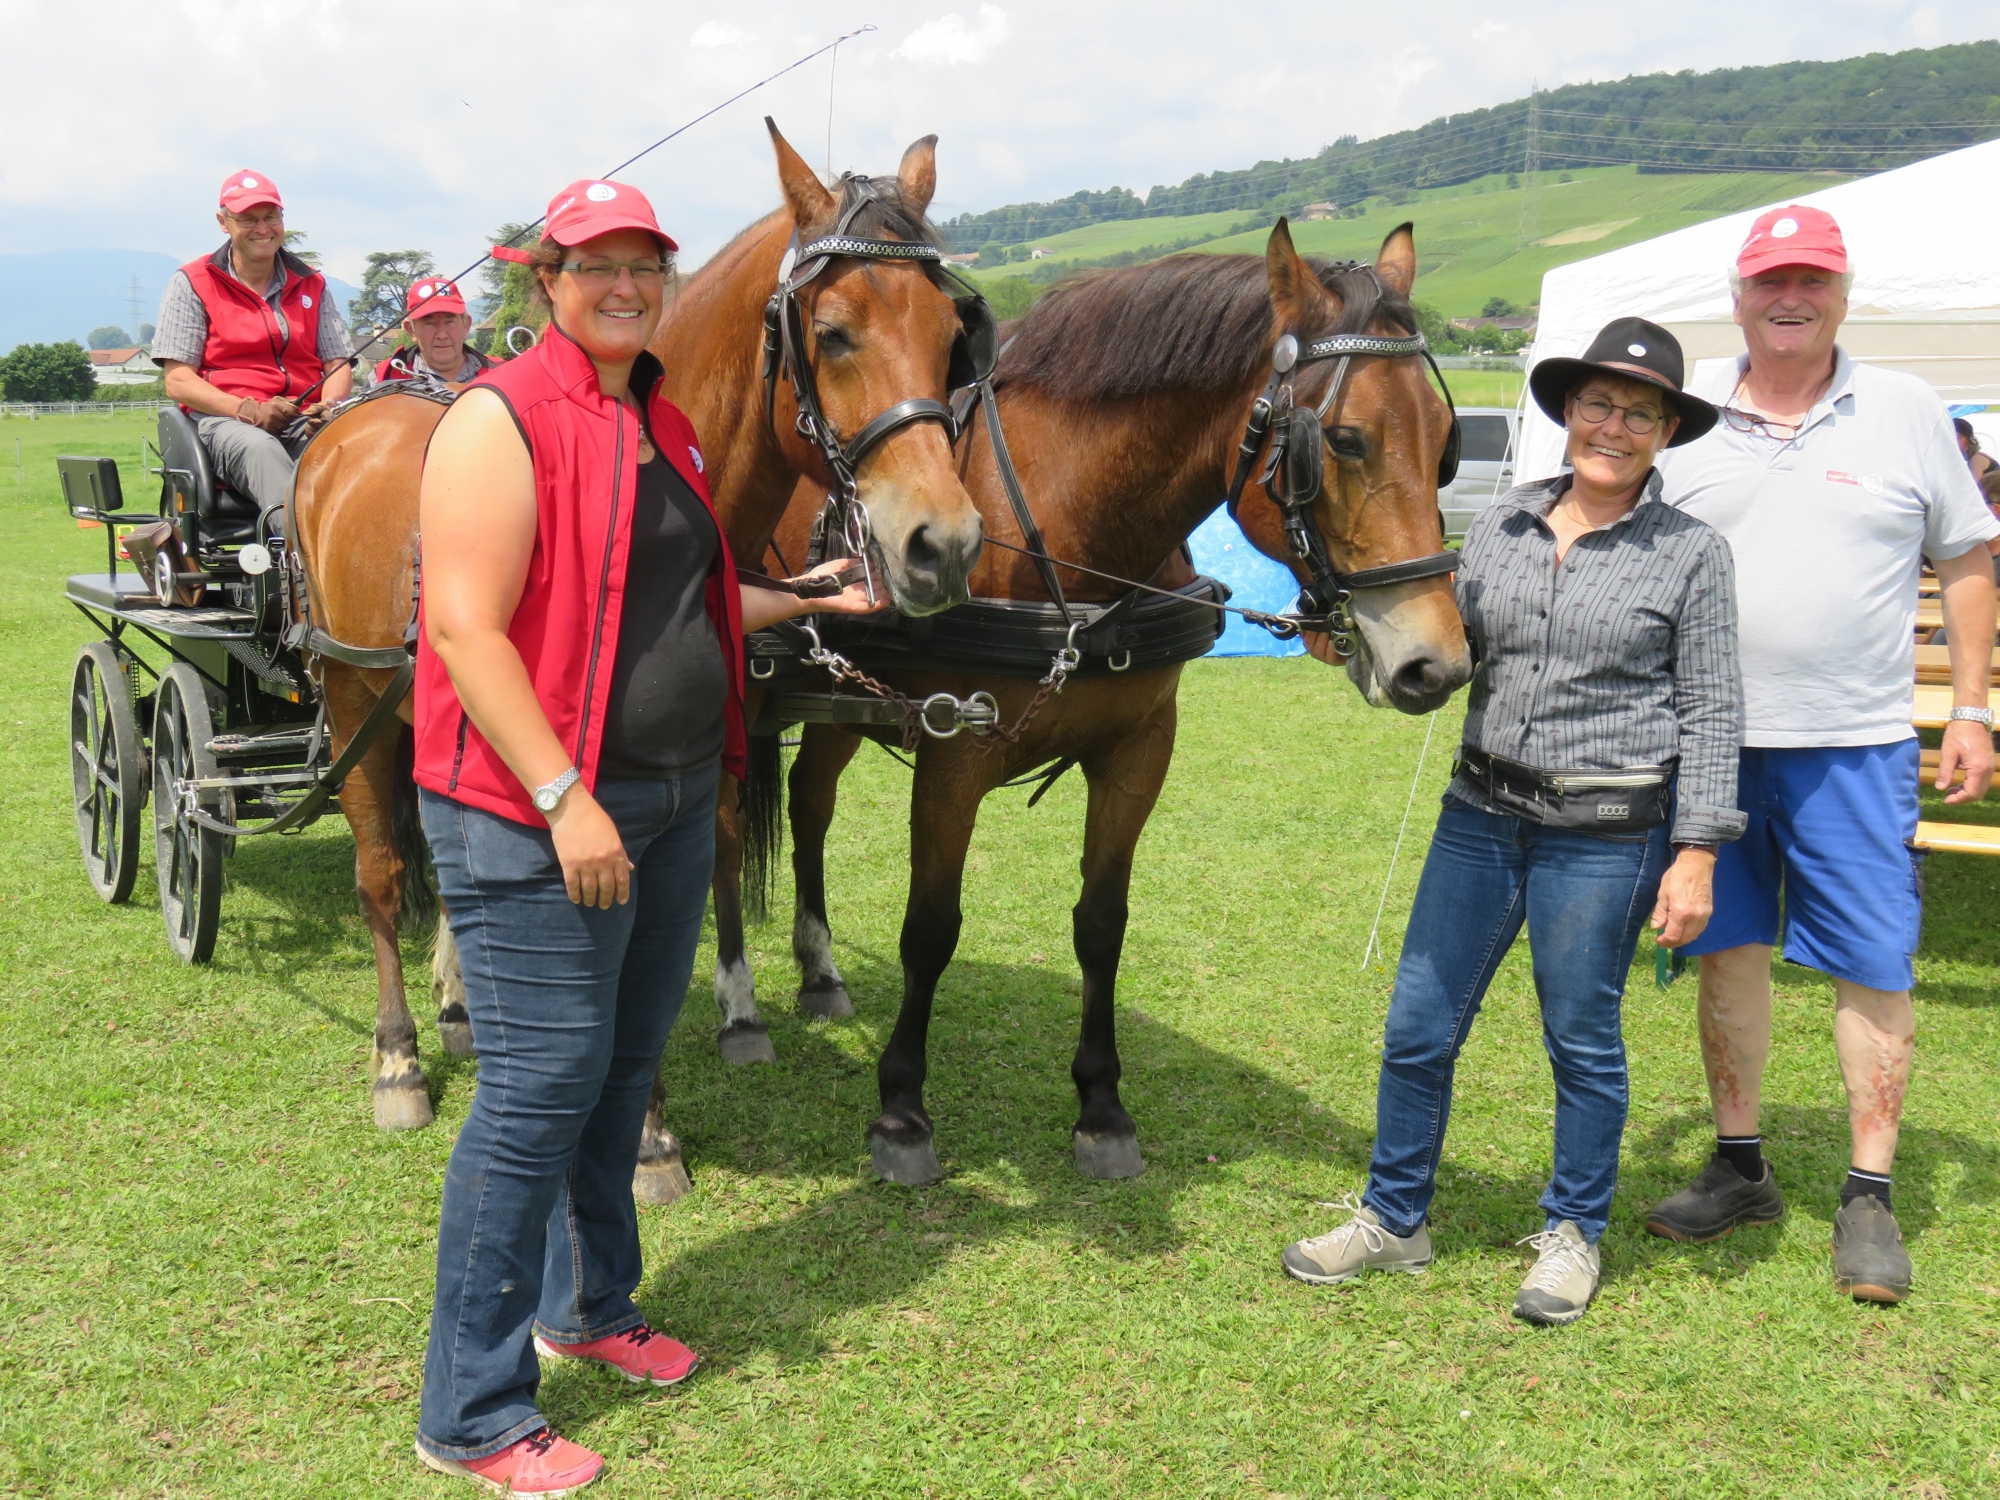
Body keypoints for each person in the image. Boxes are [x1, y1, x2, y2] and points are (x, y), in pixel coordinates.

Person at [410, 178, 881, 1497]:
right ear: (548, 280)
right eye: (595, 265)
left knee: (623, 1070)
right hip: (536, 810)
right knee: (536, 1091)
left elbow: (682, 587)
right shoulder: (501, 419)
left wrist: (813, 593)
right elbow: (464, 626)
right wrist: (567, 797)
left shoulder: (657, 419)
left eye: (644, 264)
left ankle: (589, 1305)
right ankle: (474, 1411)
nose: (623, 285)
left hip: (677, 798)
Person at [1281, 318, 1742, 1327]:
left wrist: (1696, 852)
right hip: (1479, 817)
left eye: (1637, 411)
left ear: (1663, 431)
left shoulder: (1689, 554)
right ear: (1567, 413)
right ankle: (1393, 1218)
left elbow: (1710, 708)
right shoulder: (1498, 524)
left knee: (1579, 1038)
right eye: (1596, 404)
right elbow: (1451, 652)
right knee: (1415, 1028)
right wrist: (1351, 644)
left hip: (1608, 836)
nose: (1611, 426)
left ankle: (1571, 1233)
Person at [1649, 205, 1998, 1304]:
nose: (1787, 297)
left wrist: (1974, 709)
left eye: (1809, 278)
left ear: (1842, 289)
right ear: (1736, 293)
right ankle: (1738, 1164)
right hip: (1705, 740)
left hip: (1853, 742)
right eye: (1767, 280)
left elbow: (1969, 556)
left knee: (1872, 961)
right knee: (1728, 952)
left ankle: (1867, 1194)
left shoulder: (1899, 409)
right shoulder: (1683, 417)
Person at [153, 170, 355, 532]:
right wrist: (246, 410)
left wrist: (329, 407)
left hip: (302, 417)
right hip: (227, 421)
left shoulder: (312, 282)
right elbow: (179, 381)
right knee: (261, 450)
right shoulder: (192, 282)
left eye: (270, 217)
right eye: (248, 219)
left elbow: (337, 362)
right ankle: (302, 564)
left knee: (357, 449)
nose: (263, 228)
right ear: (223, 222)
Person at [373, 276, 493, 388]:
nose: (441, 335)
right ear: (411, 330)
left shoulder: (501, 373)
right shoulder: (383, 378)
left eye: (449, 321)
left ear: (466, 325)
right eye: (429, 324)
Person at [1954, 417, 1998, 485]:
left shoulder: (1976, 460)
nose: (1953, 441)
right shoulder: (1976, 458)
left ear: (1968, 441)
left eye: (1958, 437)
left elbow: (1975, 489)